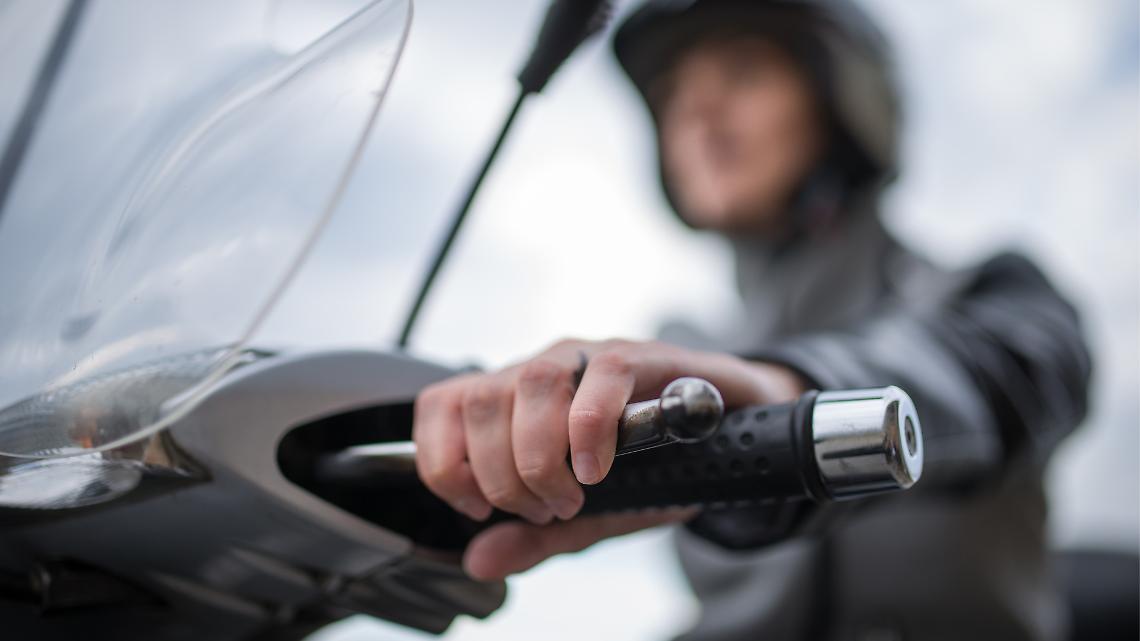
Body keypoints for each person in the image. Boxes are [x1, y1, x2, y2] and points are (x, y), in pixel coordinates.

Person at [411, 1, 1093, 639]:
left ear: (841, 97)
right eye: (676, 94)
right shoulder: (681, 351)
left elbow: (1004, 373)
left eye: (744, 72)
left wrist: (789, 393)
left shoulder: (988, 291)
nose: (700, 108)